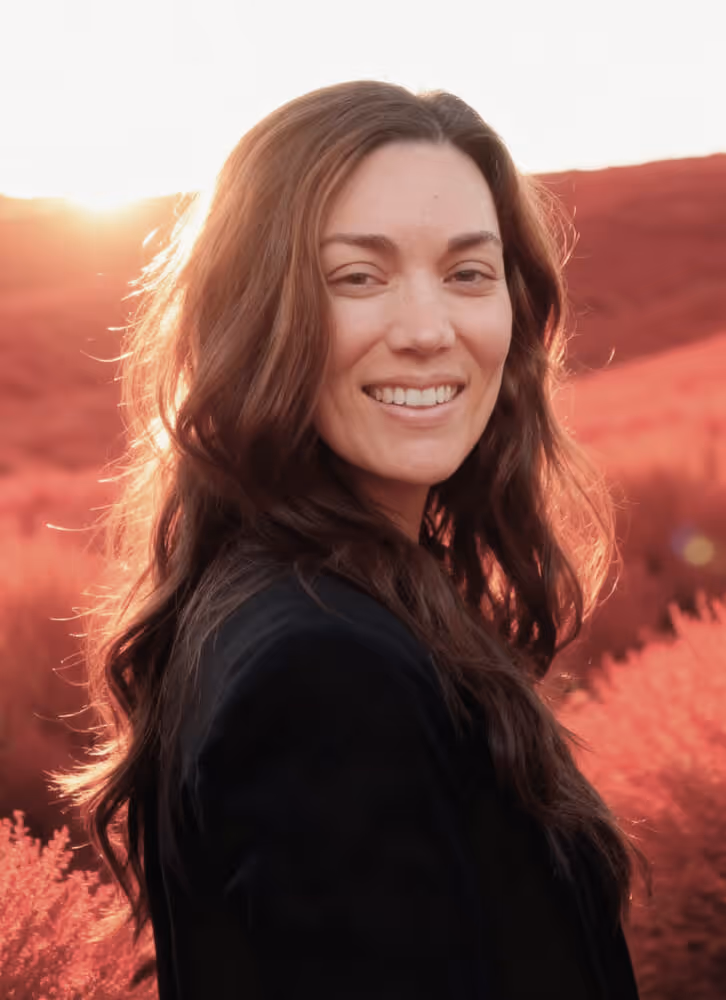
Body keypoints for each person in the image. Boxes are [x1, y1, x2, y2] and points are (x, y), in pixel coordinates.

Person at [49, 79, 652, 998]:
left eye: (468, 272)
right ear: (257, 319)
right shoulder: (324, 669)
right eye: (356, 277)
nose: (426, 330)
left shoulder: (299, 601)